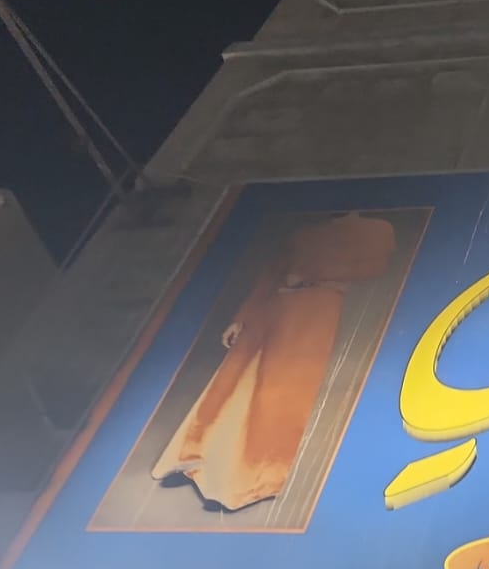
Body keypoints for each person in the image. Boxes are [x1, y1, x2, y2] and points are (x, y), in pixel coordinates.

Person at [151, 212, 397, 510]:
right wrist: (241, 317)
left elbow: (375, 267)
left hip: (317, 310)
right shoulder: (304, 231)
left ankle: (254, 476)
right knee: (231, 384)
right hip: (271, 309)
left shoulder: (376, 229)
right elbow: (270, 275)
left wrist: (312, 274)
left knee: (276, 393)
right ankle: (198, 457)